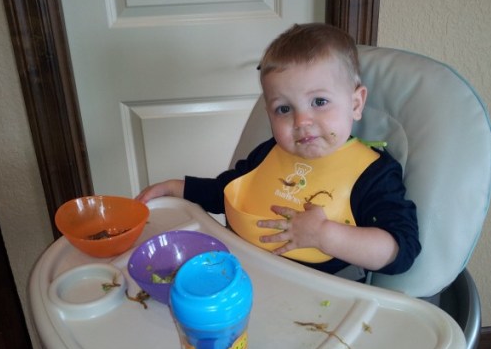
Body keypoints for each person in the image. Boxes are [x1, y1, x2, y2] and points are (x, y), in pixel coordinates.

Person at [137, 23, 420, 282]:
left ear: (356, 104)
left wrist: (324, 235)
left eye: (319, 101)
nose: (301, 121)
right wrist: (177, 188)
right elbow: (228, 191)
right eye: (284, 109)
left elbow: (402, 249)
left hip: (320, 296)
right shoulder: (269, 153)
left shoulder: (374, 174)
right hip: (245, 275)